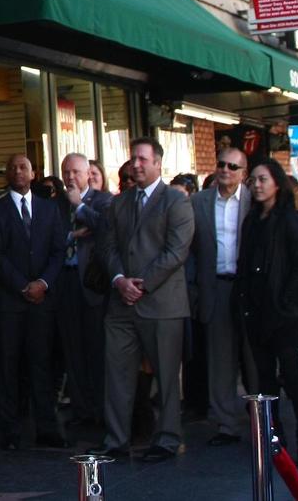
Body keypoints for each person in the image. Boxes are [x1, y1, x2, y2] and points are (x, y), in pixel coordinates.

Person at [98, 137, 194, 463]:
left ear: (157, 163)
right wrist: (119, 280)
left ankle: (167, 439)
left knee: (167, 377)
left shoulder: (175, 201)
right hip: (121, 304)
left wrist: (142, 284)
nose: (136, 165)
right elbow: (108, 247)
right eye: (133, 159)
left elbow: (176, 251)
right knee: (116, 374)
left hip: (162, 304)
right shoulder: (119, 203)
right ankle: (116, 440)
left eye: (142, 159)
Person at [236, 157, 298, 467]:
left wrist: (287, 302)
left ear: (276, 183)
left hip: (283, 313)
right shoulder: (252, 221)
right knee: (265, 379)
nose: (257, 186)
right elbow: (244, 263)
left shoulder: (289, 220)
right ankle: (275, 437)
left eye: (263, 180)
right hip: (255, 311)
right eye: (253, 180)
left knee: (292, 374)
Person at [0, 153, 67, 450]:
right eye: (12, 168)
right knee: (7, 367)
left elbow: (59, 250)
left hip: (41, 302)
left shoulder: (49, 209)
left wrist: (43, 283)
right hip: (9, 301)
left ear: (33, 173)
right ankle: (10, 430)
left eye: (23, 167)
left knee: (41, 364)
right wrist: (22, 285)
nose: (17, 172)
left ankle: (47, 428)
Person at [189, 148, 254, 447]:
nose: (225, 169)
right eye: (221, 164)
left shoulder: (255, 201)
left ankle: (260, 418)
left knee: (254, 358)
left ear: (243, 172)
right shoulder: (199, 202)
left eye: (232, 166)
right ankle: (226, 423)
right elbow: (189, 249)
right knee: (220, 360)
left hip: (247, 288)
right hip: (214, 287)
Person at [59, 152, 113, 428]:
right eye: (66, 172)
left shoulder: (103, 200)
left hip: (92, 284)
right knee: (73, 350)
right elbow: (52, 236)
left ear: (88, 173)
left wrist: (80, 208)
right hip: (65, 282)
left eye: (76, 172)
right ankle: (81, 411)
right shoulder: (56, 203)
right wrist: (70, 234)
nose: (70, 178)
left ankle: (101, 411)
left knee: (96, 349)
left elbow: (106, 227)